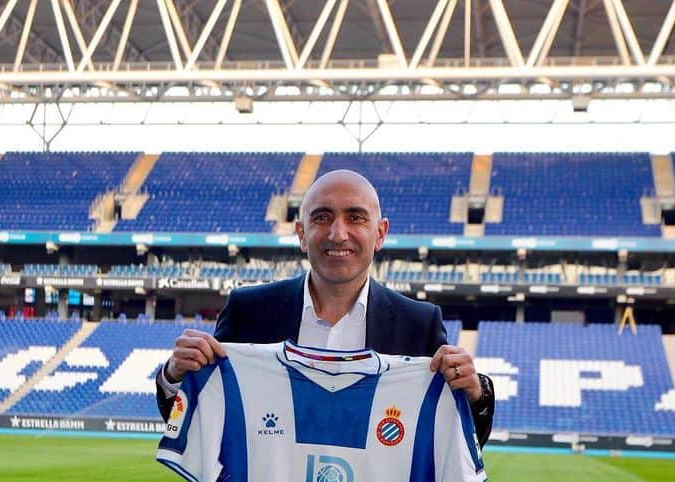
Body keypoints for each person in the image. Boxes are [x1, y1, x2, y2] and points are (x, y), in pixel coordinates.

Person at [156, 168, 493, 446]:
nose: (337, 233)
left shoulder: (419, 324)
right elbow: (200, 419)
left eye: (356, 217)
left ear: (380, 233)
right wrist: (174, 377)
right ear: (302, 233)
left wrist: (475, 396)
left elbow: (456, 444)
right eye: (322, 217)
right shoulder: (249, 311)